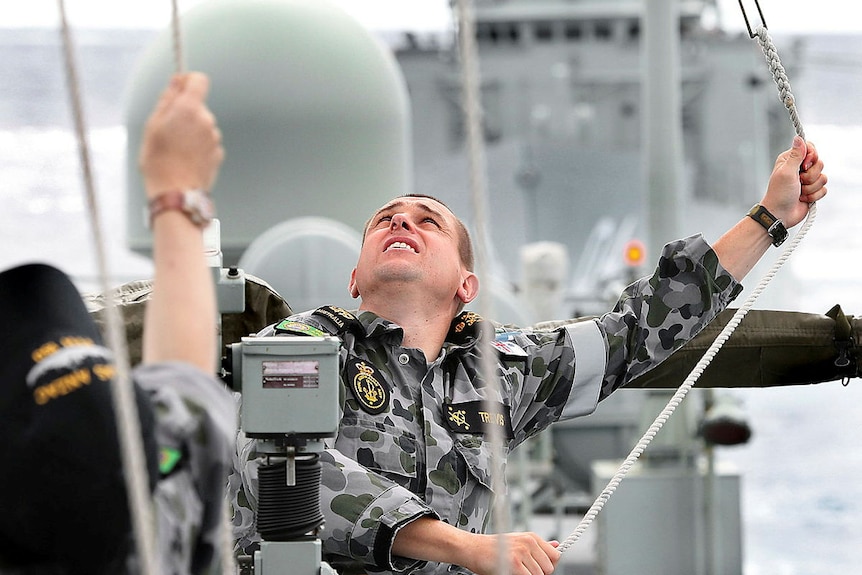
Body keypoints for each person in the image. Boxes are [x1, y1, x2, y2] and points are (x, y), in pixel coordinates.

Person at [228, 133, 839, 575]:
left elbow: (642, 325)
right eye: (385, 220)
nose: (401, 223)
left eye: (427, 222)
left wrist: (770, 216)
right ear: (354, 278)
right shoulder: (299, 347)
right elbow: (278, 466)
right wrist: (467, 547)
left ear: (466, 285)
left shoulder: (501, 371)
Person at [0, 72, 233, 574]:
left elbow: (185, 391)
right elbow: (185, 379)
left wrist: (176, 193)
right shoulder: (151, 542)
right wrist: (177, 190)